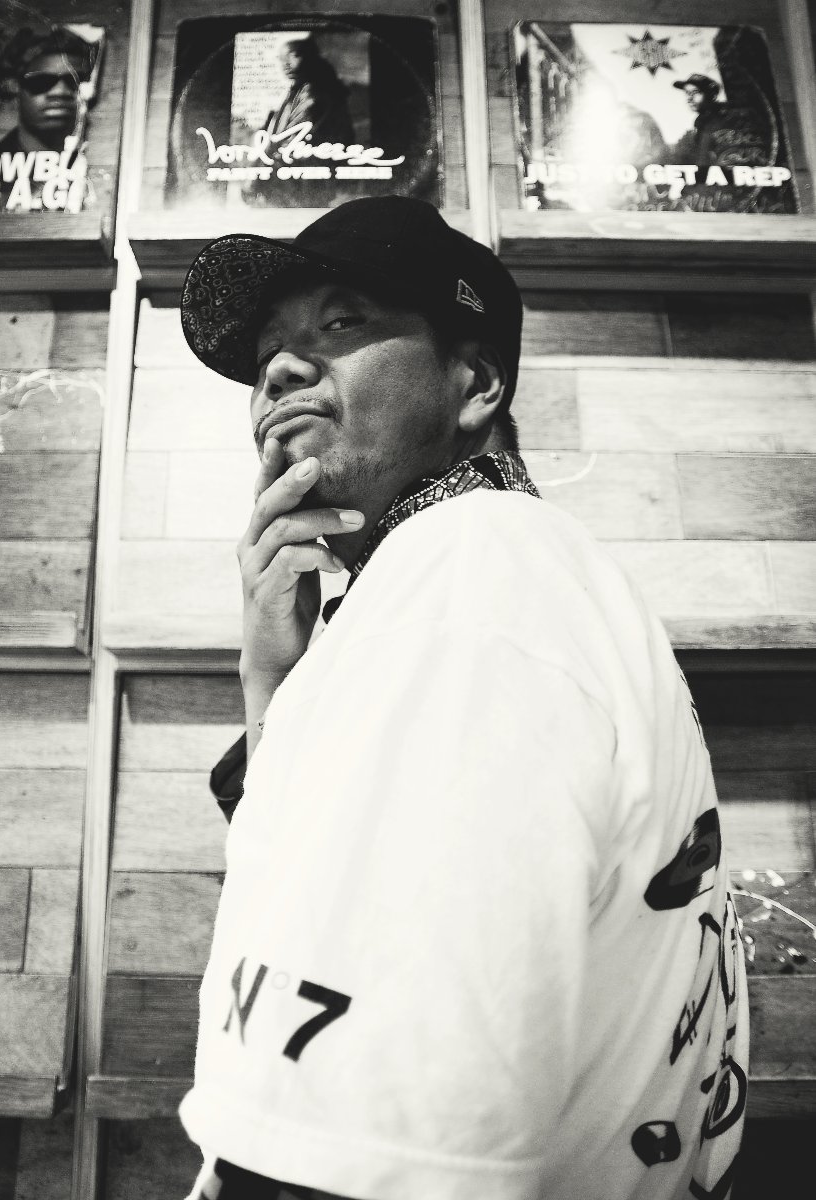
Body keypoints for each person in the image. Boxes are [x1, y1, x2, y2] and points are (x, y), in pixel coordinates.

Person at [179, 196, 749, 1200]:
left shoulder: (464, 577)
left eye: (341, 322)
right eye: (268, 352)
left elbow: (365, 1161)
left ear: (475, 382)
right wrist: (274, 680)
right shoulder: (493, 577)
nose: (280, 371)